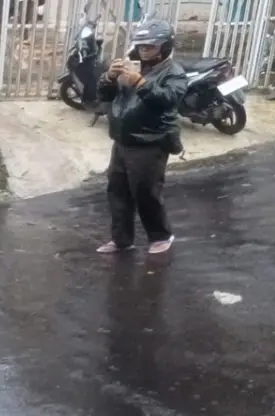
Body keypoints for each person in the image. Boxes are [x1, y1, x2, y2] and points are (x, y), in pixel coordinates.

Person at [96, 18, 187, 255]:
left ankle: (160, 236)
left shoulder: (174, 73)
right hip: (123, 140)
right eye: (142, 46)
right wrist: (109, 77)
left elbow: (167, 100)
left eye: (151, 46)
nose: (145, 50)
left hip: (150, 142)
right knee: (117, 191)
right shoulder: (132, 66)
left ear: (165, 46)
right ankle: (121, 240)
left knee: (146, 192)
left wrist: (140, 83)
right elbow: (104, 95)